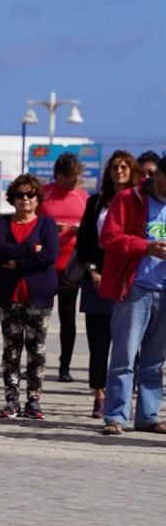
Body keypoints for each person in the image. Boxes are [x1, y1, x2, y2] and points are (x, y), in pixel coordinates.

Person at [98, 156, 166, 436]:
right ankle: (115, 416)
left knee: (156, 360)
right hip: (135, 287)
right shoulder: (129, 199)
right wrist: (145, 247)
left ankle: (149, 416)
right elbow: (109, 237)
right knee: (124, 356)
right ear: (159, 175)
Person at [0, 175, 59, 419]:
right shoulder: (1, 222)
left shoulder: (47, 224)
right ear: (12, 199)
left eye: (30, 195)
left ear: (38, 198)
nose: (25, 199)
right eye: (20, 195)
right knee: (11, 350)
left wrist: (16, 261)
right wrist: (31, 249)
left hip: (39, 297)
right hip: (10, 296)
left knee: (36, 350)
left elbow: (50, 255)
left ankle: (34, 400)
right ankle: (11, 400)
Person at [76, 151, 138, 419]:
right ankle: (99, 394)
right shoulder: (96, 202)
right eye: (115, 167)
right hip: (98, 279)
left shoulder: (140, 203)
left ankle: (122, 398)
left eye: (124, 166)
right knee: (98, 342)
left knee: (127, 344)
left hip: (130, 280)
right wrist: (92, 270)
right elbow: (84, 242)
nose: (120, 170)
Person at [37, 152, 88, 383]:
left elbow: (92, 229)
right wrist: (48, 230)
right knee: (39, 316)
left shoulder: (82, 197)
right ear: (59, 175)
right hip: (46, 264)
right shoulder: (43, 194)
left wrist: (81, 231)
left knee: (68, 318)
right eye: (70, 177)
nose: (75, 181)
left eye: (77, 176)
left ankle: (64, 366)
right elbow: (30, 223)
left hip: (71, 265)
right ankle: (36, 362)